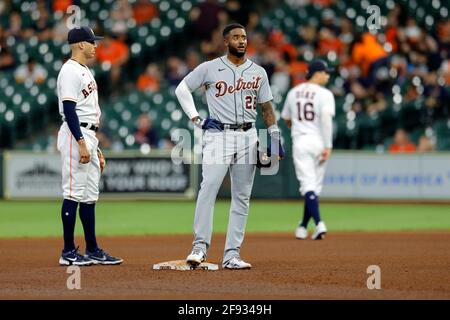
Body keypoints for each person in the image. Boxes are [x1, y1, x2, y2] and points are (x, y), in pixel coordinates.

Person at [175, 23, 284, 269]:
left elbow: (266, 108)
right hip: (218, 135)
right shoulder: (210, 68)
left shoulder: (258, 72)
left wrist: (275, 138)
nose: (241, 40)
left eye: (244, 37)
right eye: (236, 37)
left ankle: (232, 254)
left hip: (248, 135)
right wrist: (196, 119)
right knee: (208, 189)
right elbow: (182, 89)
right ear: (226, 41)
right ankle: (199, 247)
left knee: (242, 197)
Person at [56, 27, 123, 266]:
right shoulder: (69, 70)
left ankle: (93, 249)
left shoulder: (84, 70)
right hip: (78, 134)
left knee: (89, 195)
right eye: (92, 42)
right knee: (73, 192)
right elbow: (70, 110)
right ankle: (67, 252)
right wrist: (82, 142)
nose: (96, 46)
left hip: (89, 135)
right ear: (80, 45)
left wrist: (94, 147)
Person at [281, 59, 335, 240]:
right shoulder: (325, 94)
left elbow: (286, 118)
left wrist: (297, 125)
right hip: (319, 141)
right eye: (326, 72)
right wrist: (328, 145)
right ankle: (311, 225)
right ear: (317, 73)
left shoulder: (293, 92)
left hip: (302, 141)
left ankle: (309, 225)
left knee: (309, 186)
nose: (327, 75)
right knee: (312, 186)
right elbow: (326, 119)